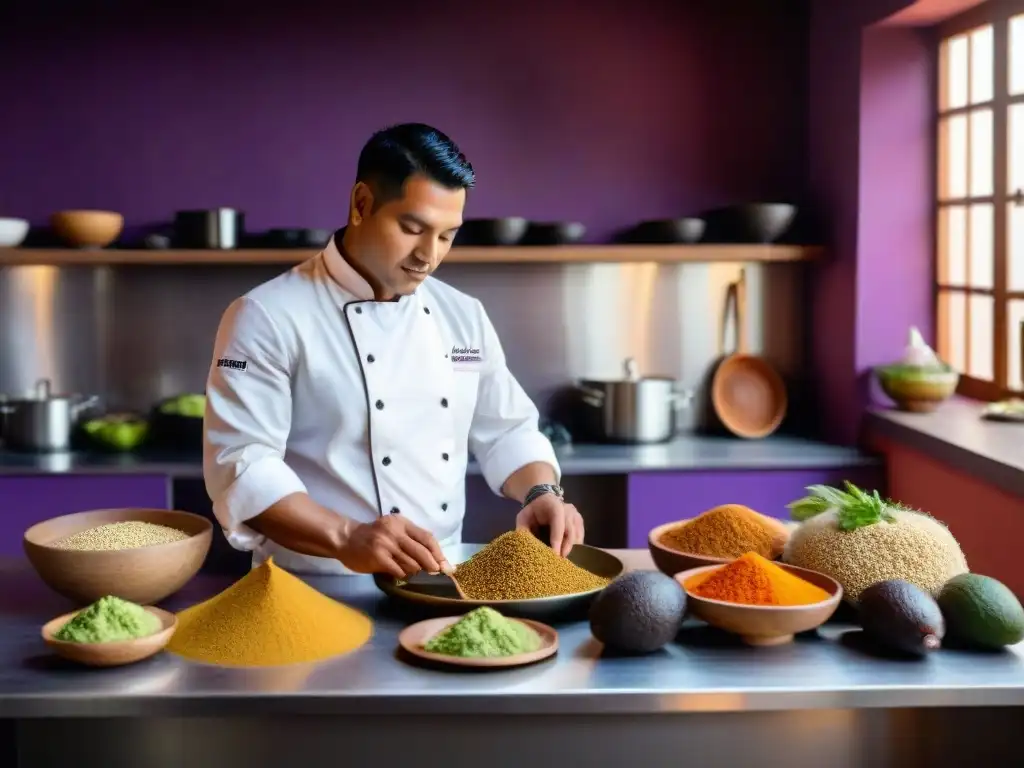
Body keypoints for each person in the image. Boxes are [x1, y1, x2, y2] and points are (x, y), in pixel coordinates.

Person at [202, 122, 584, 577]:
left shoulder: (462, 315)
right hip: (313, 583)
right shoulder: (266, 315)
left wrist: (542, 492)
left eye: (446, 235)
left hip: (441, 580)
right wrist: (346, 537)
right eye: (412, 228)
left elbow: (506, 430)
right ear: (362, 204)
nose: (429, 254)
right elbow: (243, 467)